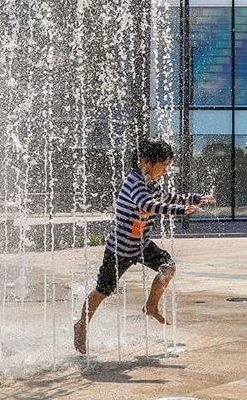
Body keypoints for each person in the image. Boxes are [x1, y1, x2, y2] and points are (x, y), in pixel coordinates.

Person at [73, 138, 214, 354]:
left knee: (168, 267)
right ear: (145, 162)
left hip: (141, 245)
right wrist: (178, 211)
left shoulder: (151, 184)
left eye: (168, 165)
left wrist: (195, 198)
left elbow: (168, 197)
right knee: (103, 290)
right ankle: (81, 325)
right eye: (164, 164)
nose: (166, 170)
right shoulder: (134, 182)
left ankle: (151, 306)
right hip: (119, 249)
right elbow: (147, 204)